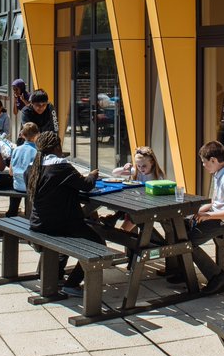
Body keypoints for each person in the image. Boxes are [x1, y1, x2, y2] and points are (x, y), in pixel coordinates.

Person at [26, 131, 104, 296]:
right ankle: (73, 283)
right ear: (57, 147)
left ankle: (55, 275)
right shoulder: (60, 166)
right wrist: (92, 175)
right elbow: (86, 185)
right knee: (99, 244)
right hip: (61, 223)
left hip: (38, 222)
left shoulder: (34, 167)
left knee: (65, 243)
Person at [188, 140, 224, 295]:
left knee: (186, 242)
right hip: (219, 218)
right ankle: (183, 271)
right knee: (181, 229)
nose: (204, 166)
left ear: (213, 160)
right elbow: (215, 203)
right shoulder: (220, 174)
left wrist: (208, 215)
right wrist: (198, 211)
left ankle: (217, 276)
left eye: (204, 162)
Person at [111, 146, 164, 234]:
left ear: (152, 162)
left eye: (144, 166)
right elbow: (114, 172)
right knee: (125, 202)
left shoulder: (157, 177)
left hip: (148, 207)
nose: (141, 168)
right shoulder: (137, 171)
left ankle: (115, 223)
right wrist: (124, 169)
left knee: (127, 223)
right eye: (138, 165)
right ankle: (114, 220)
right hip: (136, 204)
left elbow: (159, 195)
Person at [10, 122, 39, 196]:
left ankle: (13, 207)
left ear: (22, 135)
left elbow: (11, 172)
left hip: (17, 186)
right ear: (37, 134)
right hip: (31, 187)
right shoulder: (37, 151)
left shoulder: (16, 150)